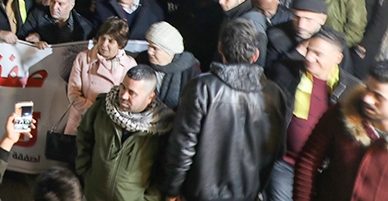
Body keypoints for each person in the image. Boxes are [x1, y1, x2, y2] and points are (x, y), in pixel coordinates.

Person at [161, 19, 288, 201]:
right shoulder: (275, 94)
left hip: (199, 193)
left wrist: (172, 189)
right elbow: (276, 151)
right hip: (247, 193)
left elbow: (183, 146)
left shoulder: (201, 87)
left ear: (220, 48)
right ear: (255, 55)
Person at [265, 27, 361, 201]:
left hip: (322, 172)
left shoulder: (352, 90)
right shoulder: (287, 72)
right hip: (284, 163)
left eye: (318, 54)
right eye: (308, 50)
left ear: (337, 58)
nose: (309, 57)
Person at [76, 64, 175, 201]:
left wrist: (150, 198)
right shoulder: (103, 106)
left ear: (150, 98)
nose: (123, 95)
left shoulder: (162, 126)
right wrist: (84, 171)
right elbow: (84, 135)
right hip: (94, 195)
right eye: (123, 87)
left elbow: (166, 167)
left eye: (132, 93)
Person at [293, 59, 388, 201]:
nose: (367, 99)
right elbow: (308, 162)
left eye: (378, 96)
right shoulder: (340, 114)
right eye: (367, 89)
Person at [65, 18, 138, 136]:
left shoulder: (130, 64)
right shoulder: (83, 58)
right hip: (82, 124)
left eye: (111, 41)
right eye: (102, 38)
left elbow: (131, 99)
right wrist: (95, 111)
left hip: (111, 128)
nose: (104, 44)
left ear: (120, 45)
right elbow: (73, 94)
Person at [136, 22, 201, 110]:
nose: (149, 51)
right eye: (149, 46)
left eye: (155, 48)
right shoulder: (141, 60)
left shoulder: (190, 71)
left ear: (169, 51)